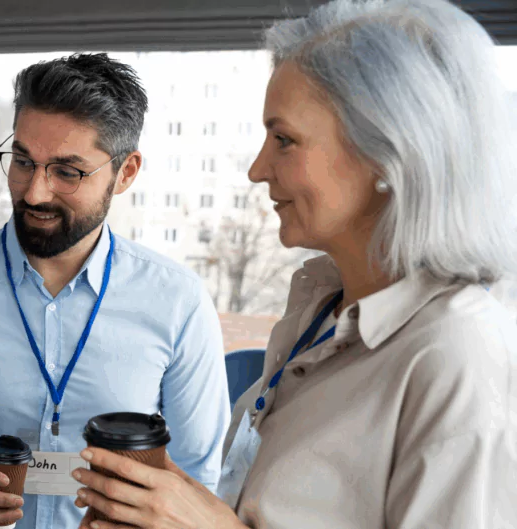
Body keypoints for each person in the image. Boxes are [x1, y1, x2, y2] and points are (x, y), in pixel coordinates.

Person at [70, 1, 517, 528]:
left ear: (387, 151)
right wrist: (168, 506)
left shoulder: (458, 357)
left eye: (284, 139)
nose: (258, 169)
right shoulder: (322, 312)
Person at [0, 53, 230, 529]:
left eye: (67, 171)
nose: (35, 192)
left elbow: (200, 468)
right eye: (22, 161)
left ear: (126, 173)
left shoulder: (178, 302)